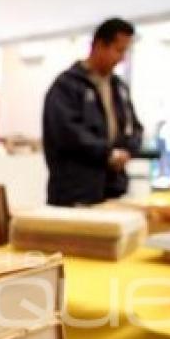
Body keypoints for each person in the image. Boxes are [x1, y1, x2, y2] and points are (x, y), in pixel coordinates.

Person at [42, 18, 143, 206]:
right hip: (76, 191)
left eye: (125, 51)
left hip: (113, 187)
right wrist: (107, 153)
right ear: (98, 45)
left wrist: (128, 150)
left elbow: (134, 126)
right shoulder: (67, 85)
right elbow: (68, 133)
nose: (122, 58)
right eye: (118, 50)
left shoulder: (119, 87)